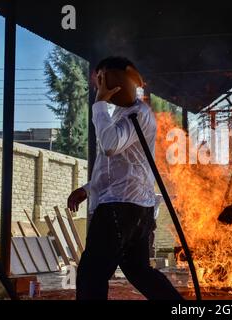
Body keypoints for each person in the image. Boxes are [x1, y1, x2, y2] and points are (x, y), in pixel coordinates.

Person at [67, 56, 182, 300]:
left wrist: (99, 104)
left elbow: (109, 146)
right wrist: (88, 189)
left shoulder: (137, 113)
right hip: (135, 206)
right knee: (139, 271)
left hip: (121, 207)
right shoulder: (122, 114)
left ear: (128, 75)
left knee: (92, 273)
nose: (100, 85)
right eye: (97, 81)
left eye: (102, 77)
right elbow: (114, 166)